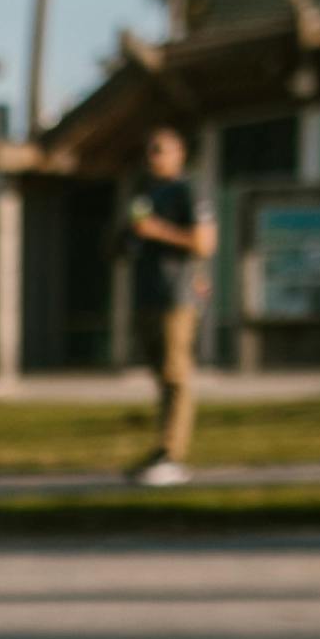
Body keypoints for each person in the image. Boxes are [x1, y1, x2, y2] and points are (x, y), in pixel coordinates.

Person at [126, 128, 215, 486]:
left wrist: (157, 230)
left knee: (176, 374)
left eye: (161, 149)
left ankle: (173, 455)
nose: (154, 156)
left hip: (177, 296)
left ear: (179, 153)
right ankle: (162, 449)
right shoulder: (146, 192)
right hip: (148, 294)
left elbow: (204, 243)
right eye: (149, 149)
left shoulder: (188, 189)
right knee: (161, 377)